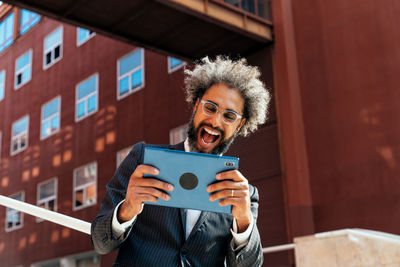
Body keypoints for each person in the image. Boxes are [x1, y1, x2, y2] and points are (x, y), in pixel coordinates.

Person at [91, 56, 271, 266]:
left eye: (229, 116)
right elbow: (100, 243)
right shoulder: (143, 159)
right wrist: (128, 208)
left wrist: (243, 220)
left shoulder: (244, 195)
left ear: (239, 126)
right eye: (210, 108)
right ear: (196, 105)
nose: (215, 121)